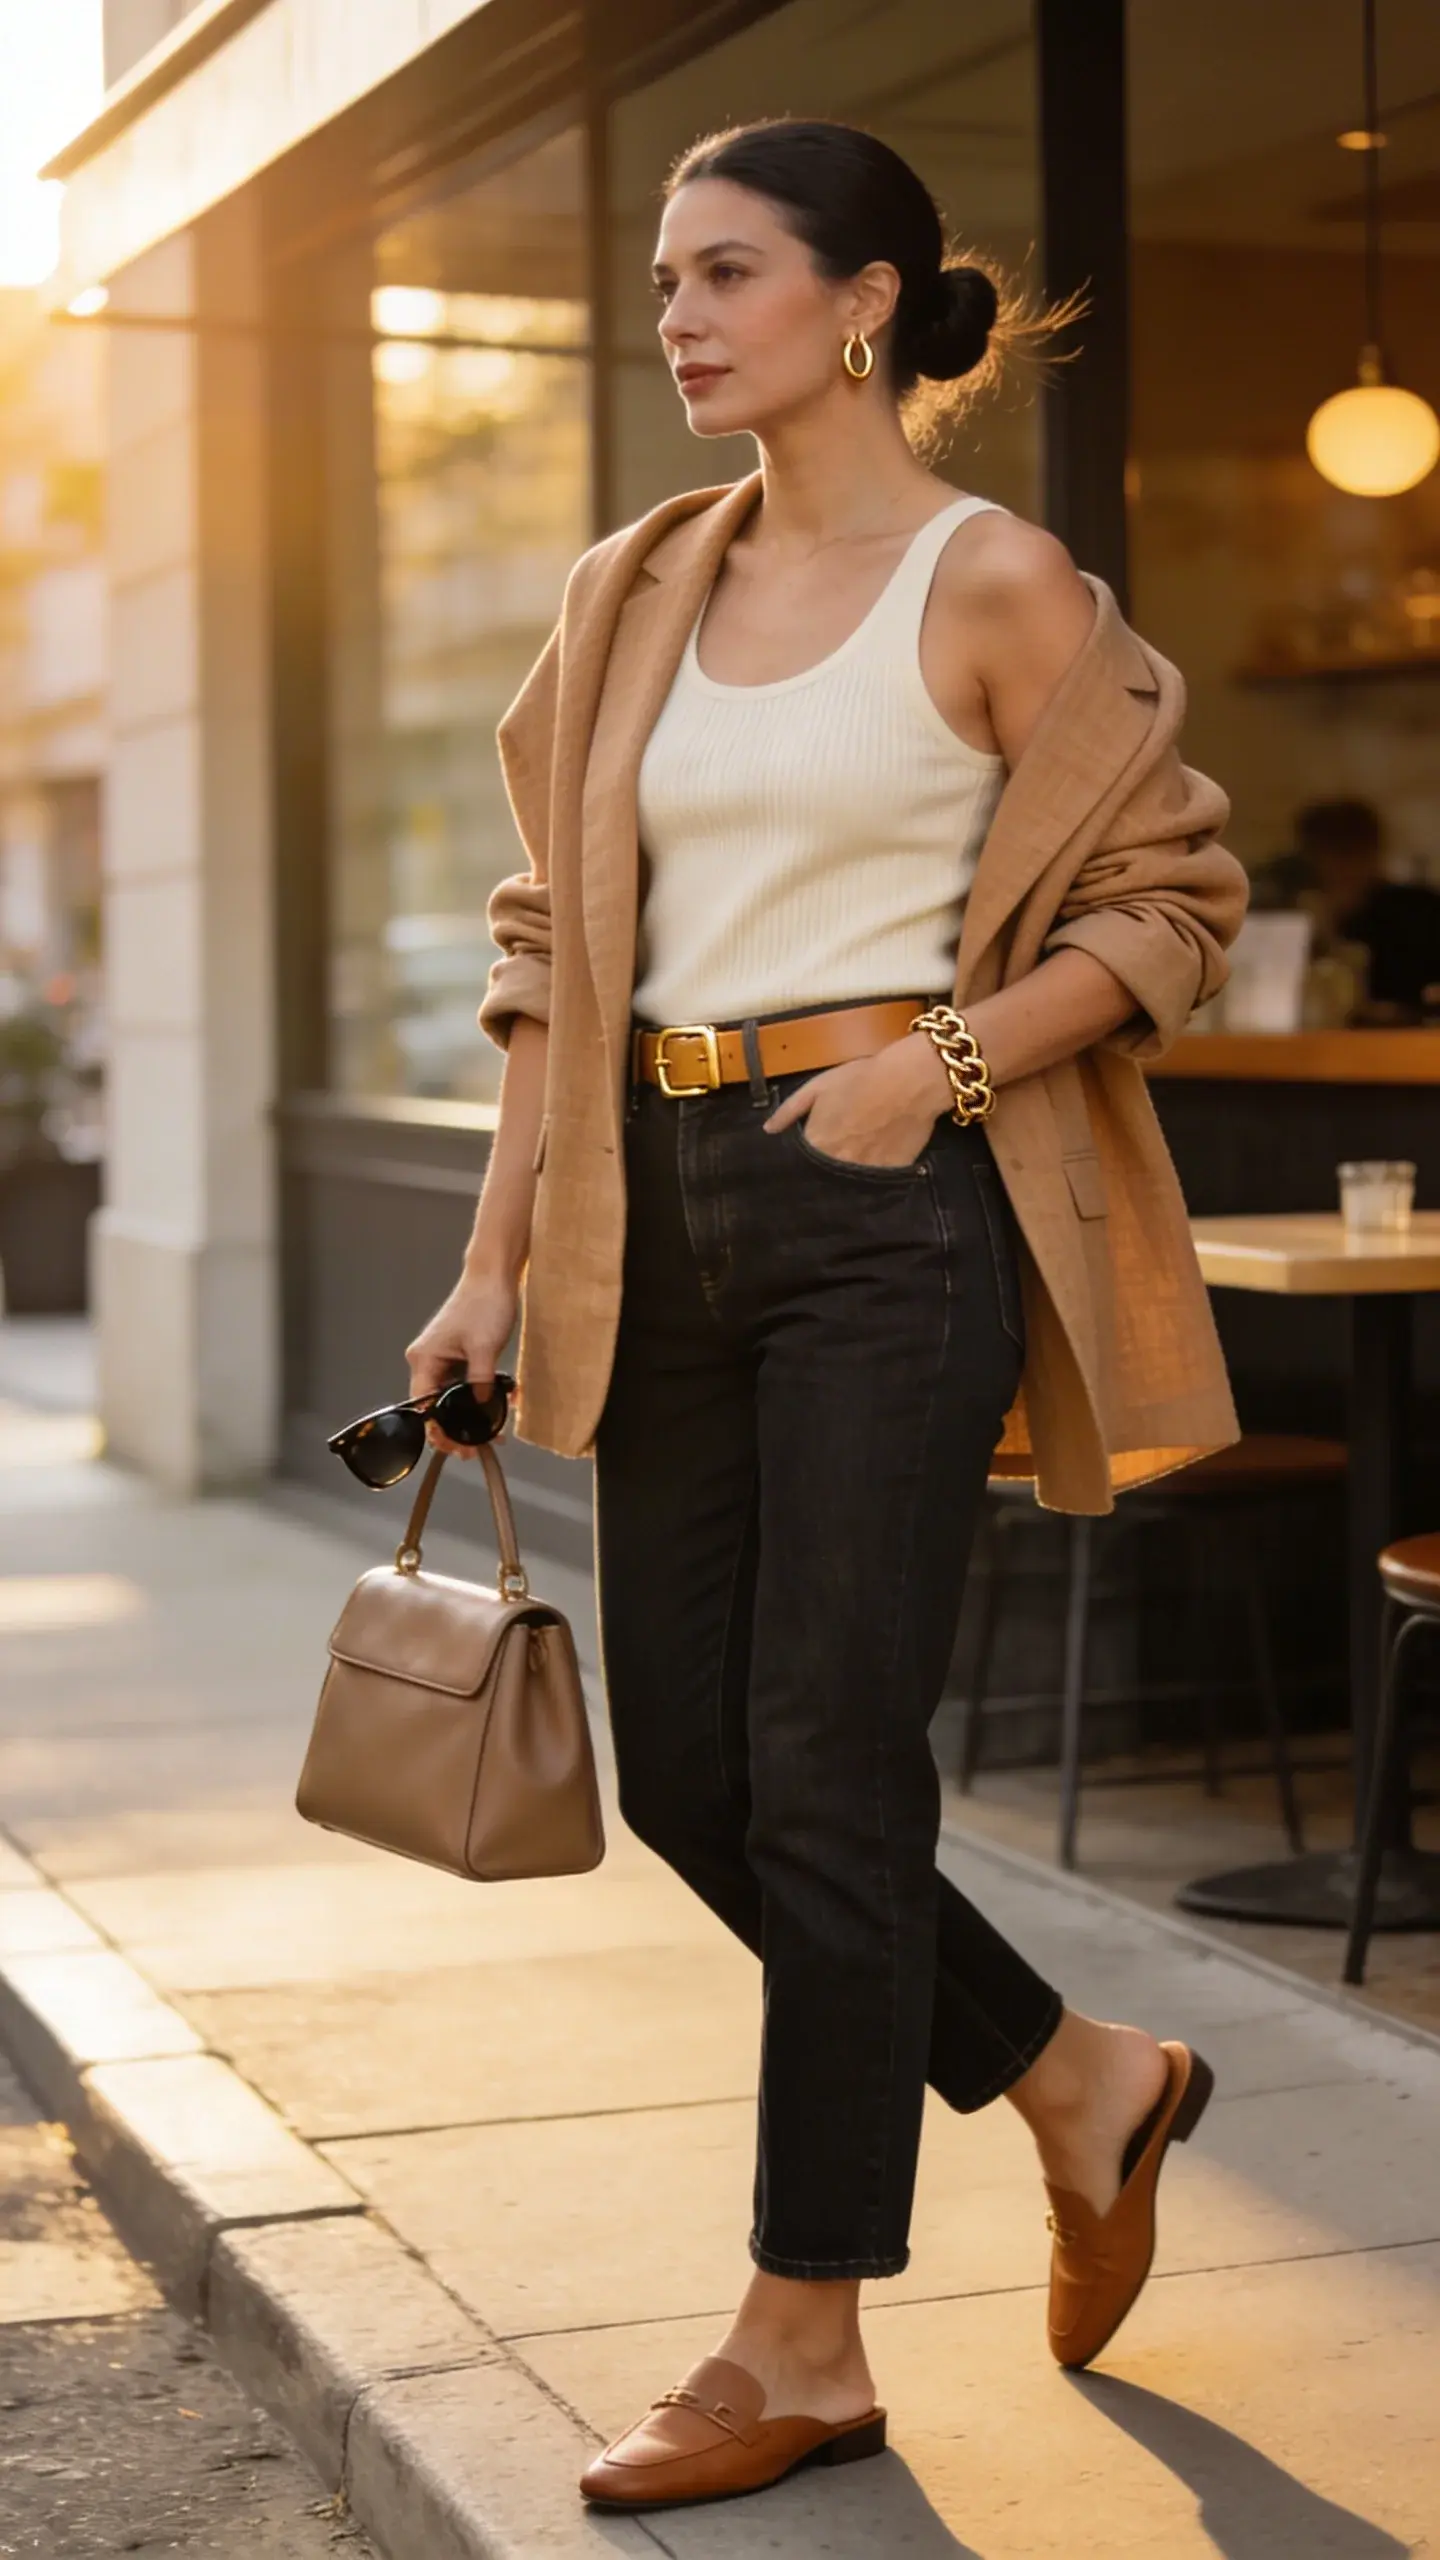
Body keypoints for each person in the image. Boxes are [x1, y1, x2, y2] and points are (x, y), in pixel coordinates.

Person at [405, 118, 1248, 2513]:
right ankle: (1081, 2080)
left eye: (726, 271)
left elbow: (1171, 897)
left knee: (830, 1757)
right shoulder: (633, 585)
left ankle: (801, 2333)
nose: (675, 313)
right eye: (663, 277)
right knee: (687, 1760)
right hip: (641, 1212)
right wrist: (484, 1258)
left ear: (860, 300)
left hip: (895, 1209)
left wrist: (935, 1067)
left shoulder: (991, 585)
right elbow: (550, 947)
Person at [1250, 796, 1440, 1017]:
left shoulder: (1419, 910)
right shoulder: (1292, 912)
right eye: (1332, 851)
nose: (1343, 865)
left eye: (1352, 850)